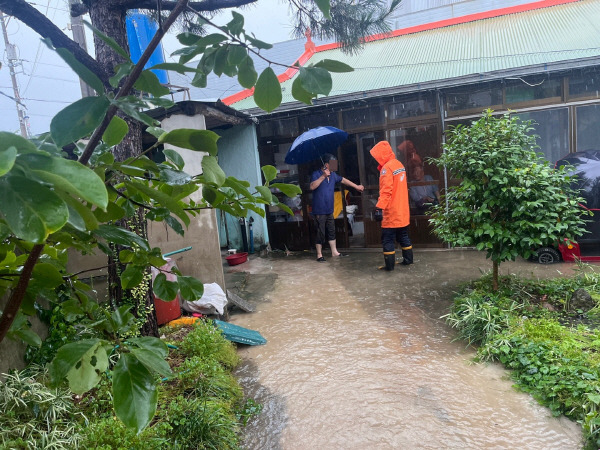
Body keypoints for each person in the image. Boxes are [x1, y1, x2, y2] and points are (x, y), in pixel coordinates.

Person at [310, 153, 364, 262]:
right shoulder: (316, 174)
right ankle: (319, 254)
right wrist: (323, 176)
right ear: (326, 164)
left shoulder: (333, 175)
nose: (336, 165)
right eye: (333, 163)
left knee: (331, 230)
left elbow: (343, 180)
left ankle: (334, 252)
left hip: (330, 209)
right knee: (320, 232)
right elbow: (312, 186)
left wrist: (356, 186)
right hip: (319, 210)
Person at [370, 140, 413, 271]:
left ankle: (389, 267)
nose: (376, 160)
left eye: (376, 157)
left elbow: (386, 191)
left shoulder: (386, 169)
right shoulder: (398, 164)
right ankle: (408, 260)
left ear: (381, 155)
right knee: (403, 236)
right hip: (402, 211)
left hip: (391, 213)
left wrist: (379, 208)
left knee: (388, 239)